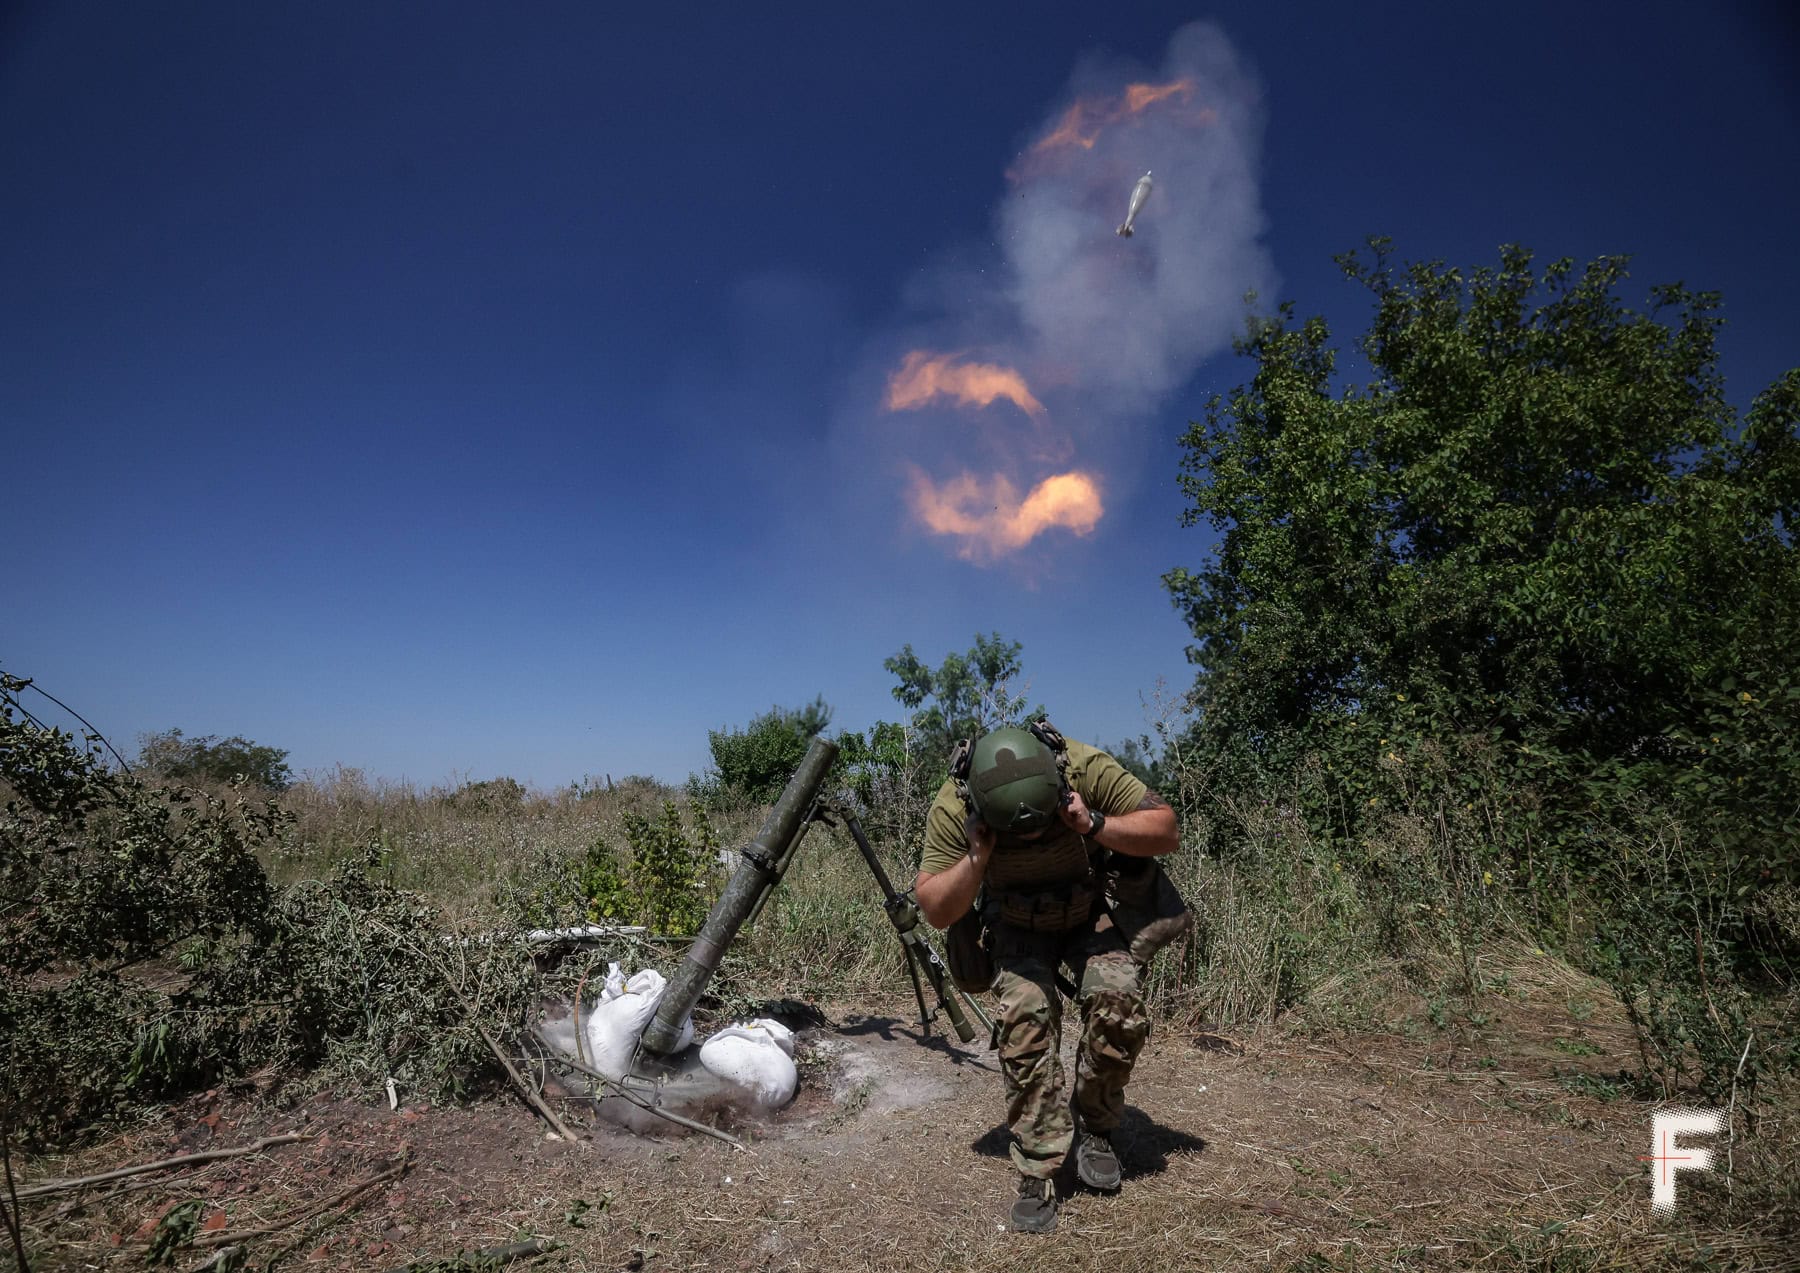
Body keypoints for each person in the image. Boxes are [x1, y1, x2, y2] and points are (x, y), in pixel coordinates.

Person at [913, 721, 1179, 1233]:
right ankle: (1038, 1166)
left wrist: (1094, 823)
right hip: (1014, 924)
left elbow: (1165, 829)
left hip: (1087, 913)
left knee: (1119, 1004)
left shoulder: (1082, 764)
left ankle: (1096, 1128)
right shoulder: (956, 802)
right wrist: (977, 856)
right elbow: (936, 909)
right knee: (1025, 1020)